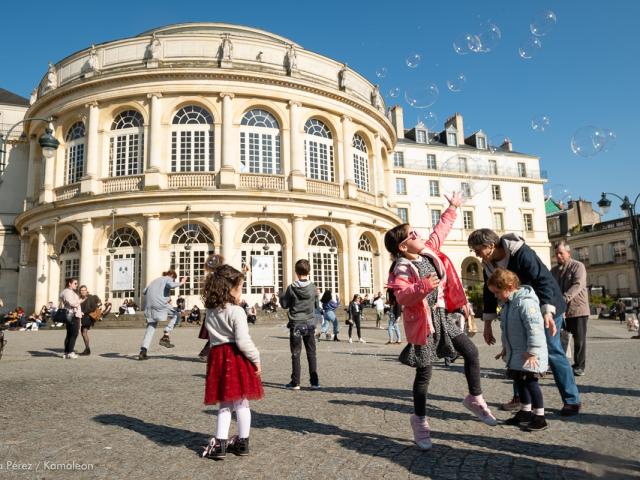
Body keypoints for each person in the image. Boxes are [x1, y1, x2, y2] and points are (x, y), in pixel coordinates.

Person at [385, 192, 496, 450]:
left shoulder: (427, 253)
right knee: (425, 374)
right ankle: (420, 421)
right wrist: (422, 286)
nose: (418, 235)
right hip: (424, 324)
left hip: (441, 316)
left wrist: (453, 208)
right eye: (412, 235)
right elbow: (402, 296)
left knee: (471, 352)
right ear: (403, 247)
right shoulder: (401, 267)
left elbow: (439, 232)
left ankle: (474, 398)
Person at [467, 228, 581, 416]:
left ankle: (571, 399)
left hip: (547, 304)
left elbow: (543, 280)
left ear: (490, 246)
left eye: (477, 249)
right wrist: (487, 324)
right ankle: (521, 398)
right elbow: (489, 292)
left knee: (552, 351)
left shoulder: (522, 253)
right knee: (519, 350)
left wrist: (547, 312)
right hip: (519, 310)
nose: (476, 254)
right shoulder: (488, 264)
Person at [201, 263, 263, 460]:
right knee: (242, 402)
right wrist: (256, 359)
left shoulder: (210, 311)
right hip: (235, 357)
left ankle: (219, 443)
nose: (241, 292)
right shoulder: (237, 311)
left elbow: (210, 339)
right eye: (240, 288)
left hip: (218, 357)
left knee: (225, 403)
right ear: (230, 289)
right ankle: (243, 442)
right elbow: (243, 341)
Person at [489, 268, 549, 431]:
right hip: (516, 353)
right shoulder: (508, 304)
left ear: (508, 287)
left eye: (497, 292)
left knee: (531, 383)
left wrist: (533, 350)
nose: (495, 296)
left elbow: (534, 328)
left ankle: (540, 416)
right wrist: (505, 349)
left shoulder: (525, 303)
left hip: (529, 354)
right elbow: (508, 330)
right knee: (520, 382)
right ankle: (525, 411)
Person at [279, 259, 320, 390]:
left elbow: (285, 305)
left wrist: (281, 296)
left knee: (296, 353)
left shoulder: (291, 288)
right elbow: (316, 306)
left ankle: (296, 382)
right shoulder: (313, 288)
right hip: (309, 323)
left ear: (296, 272)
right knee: (311, 352)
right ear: (309, 272)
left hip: (296, 324)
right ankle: (314, 382)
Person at [551, 240, 590, 377]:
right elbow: (551, 287)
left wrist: (563, 299)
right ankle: (559, 364)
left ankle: (579, 366)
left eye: (561, 253)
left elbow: (578, 285)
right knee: (559, 339)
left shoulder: (578, 266)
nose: (558, 256)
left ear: (568, 253)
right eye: (556, 254)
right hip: (560, 311)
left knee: (579, 340)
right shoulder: (554, 270)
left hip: (578, 310)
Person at [138, 271, 187, 360]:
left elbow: (144, 291)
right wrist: (182, 282)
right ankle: (166, 335)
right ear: (172, 276)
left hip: (149, 306)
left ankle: (143, 351)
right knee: (177, 314)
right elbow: (171, 285)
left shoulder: (154, 280)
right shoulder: (168, 278)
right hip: (160, 304)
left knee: (151, 327)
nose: (173, 280)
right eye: (174, 279)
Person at [60, 278, 82, 359]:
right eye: (75, 283)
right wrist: (80, 301)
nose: (77, 285)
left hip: (72, 314)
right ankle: (70, 352)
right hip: (73, 315)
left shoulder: (69, 292)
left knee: (69, 334)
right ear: (70, 283)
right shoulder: (68, 292)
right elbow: (72, 303)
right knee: (74, 334)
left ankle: (66, 352)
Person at [78, 285, 102, 356]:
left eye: (84, 290)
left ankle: (87, 349)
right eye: (81, 290)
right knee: (83, 333)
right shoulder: (80, 298)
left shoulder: (90, 297)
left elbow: (93, 308)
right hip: (82, 317)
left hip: (88, 317)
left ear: (86, 290)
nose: (83, 291)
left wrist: (84, 312)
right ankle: (87, 349)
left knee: (84, 332)